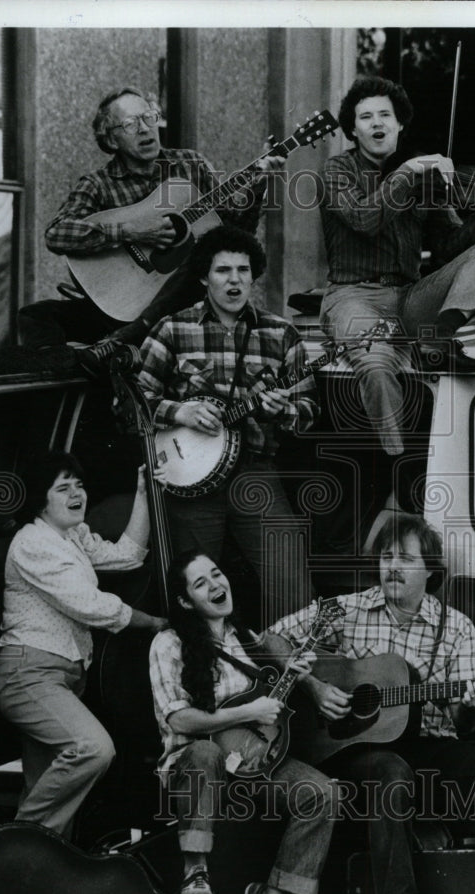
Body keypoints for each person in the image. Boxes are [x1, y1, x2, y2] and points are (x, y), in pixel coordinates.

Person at [270, 511, 475, 894]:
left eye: (404, 559)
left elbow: (464, 725)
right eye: (386, 557)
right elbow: (272, 638)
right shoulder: (344, 610)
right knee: (391, 770)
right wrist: (314, 689)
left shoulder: (456, 628)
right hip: (356, 753)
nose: (391, 567)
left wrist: (469, 706)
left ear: (430, 571)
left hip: (430, 752)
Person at [320, 75, 475, 458]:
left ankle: (437, 338)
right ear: (352, 129)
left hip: (410, 297)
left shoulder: (422, 180)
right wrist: (408, 172)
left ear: (400, 124)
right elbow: (364, 219)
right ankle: (400, 462)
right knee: (378, 369)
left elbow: (450, 248)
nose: (378, 123)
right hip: (354, 297)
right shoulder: (338, 171)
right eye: (366, 117)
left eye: (386, 114)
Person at [137, 224, 318, 628]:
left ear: (254, 276)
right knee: (196, 591)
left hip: (255, 474)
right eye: (223, 271)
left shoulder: (281, 334)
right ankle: (206, 678)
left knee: (292, 585)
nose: (234, 280)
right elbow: (127, 404)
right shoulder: (172, 330)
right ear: (204, 276)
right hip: (190, 485)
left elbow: (308, 411)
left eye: (243, 270)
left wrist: (281, 411)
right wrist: (177, 413)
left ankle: (293, 680)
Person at [18, 86, 280, 354]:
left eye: (149, 117)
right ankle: (72, 373)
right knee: (35, 316)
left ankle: (122, 343)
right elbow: (57, 234)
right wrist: (130, 231)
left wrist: (256, 190)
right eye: (130, 124)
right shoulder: (98, 185)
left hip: (182, 305)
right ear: (110, 140)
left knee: (203, 252)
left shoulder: (190, 165)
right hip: (120, 305)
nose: (145, 129)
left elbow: (237, 236)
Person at [148, 549, 338, 894]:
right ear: (186, 602)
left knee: (323, 792)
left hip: (256, 763)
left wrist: (294, 675)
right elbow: (178, 719)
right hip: (198, 764)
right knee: (206, 752)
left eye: (217, 574)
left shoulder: (248, 638)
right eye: (201, 583)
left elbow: (269, 701)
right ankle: (195, 874)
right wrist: (249, 711)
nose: (215, 584)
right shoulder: (169, 643)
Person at [0, 451, 166, 837]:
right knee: (94, 749)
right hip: (28, 675)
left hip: (61, 678)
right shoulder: (33, 543)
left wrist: (143, 492)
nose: (76, 493)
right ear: (42, 498)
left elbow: (128, 556)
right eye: (62, 487)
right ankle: (11, 846)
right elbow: (91, 606)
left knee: (50, 794)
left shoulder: (71, 536)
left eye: (79, 484)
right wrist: (153, 622)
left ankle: (34, 880)